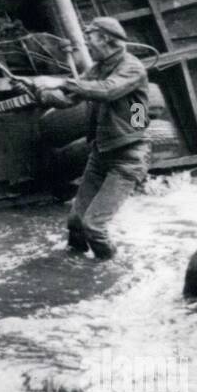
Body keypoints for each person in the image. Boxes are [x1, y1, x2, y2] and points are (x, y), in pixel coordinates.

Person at [34, 16, 150, 260]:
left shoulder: (132, 67)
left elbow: (107, 91)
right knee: (76, 223)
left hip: (128, 157)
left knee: (94, 227)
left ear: (105, 39)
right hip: (101, 153)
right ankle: (75, 269)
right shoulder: (98, 68)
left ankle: (110, 270)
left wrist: (60, 81)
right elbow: (69, 99)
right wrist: (39, 93)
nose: (86, 43)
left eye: (90, 37)